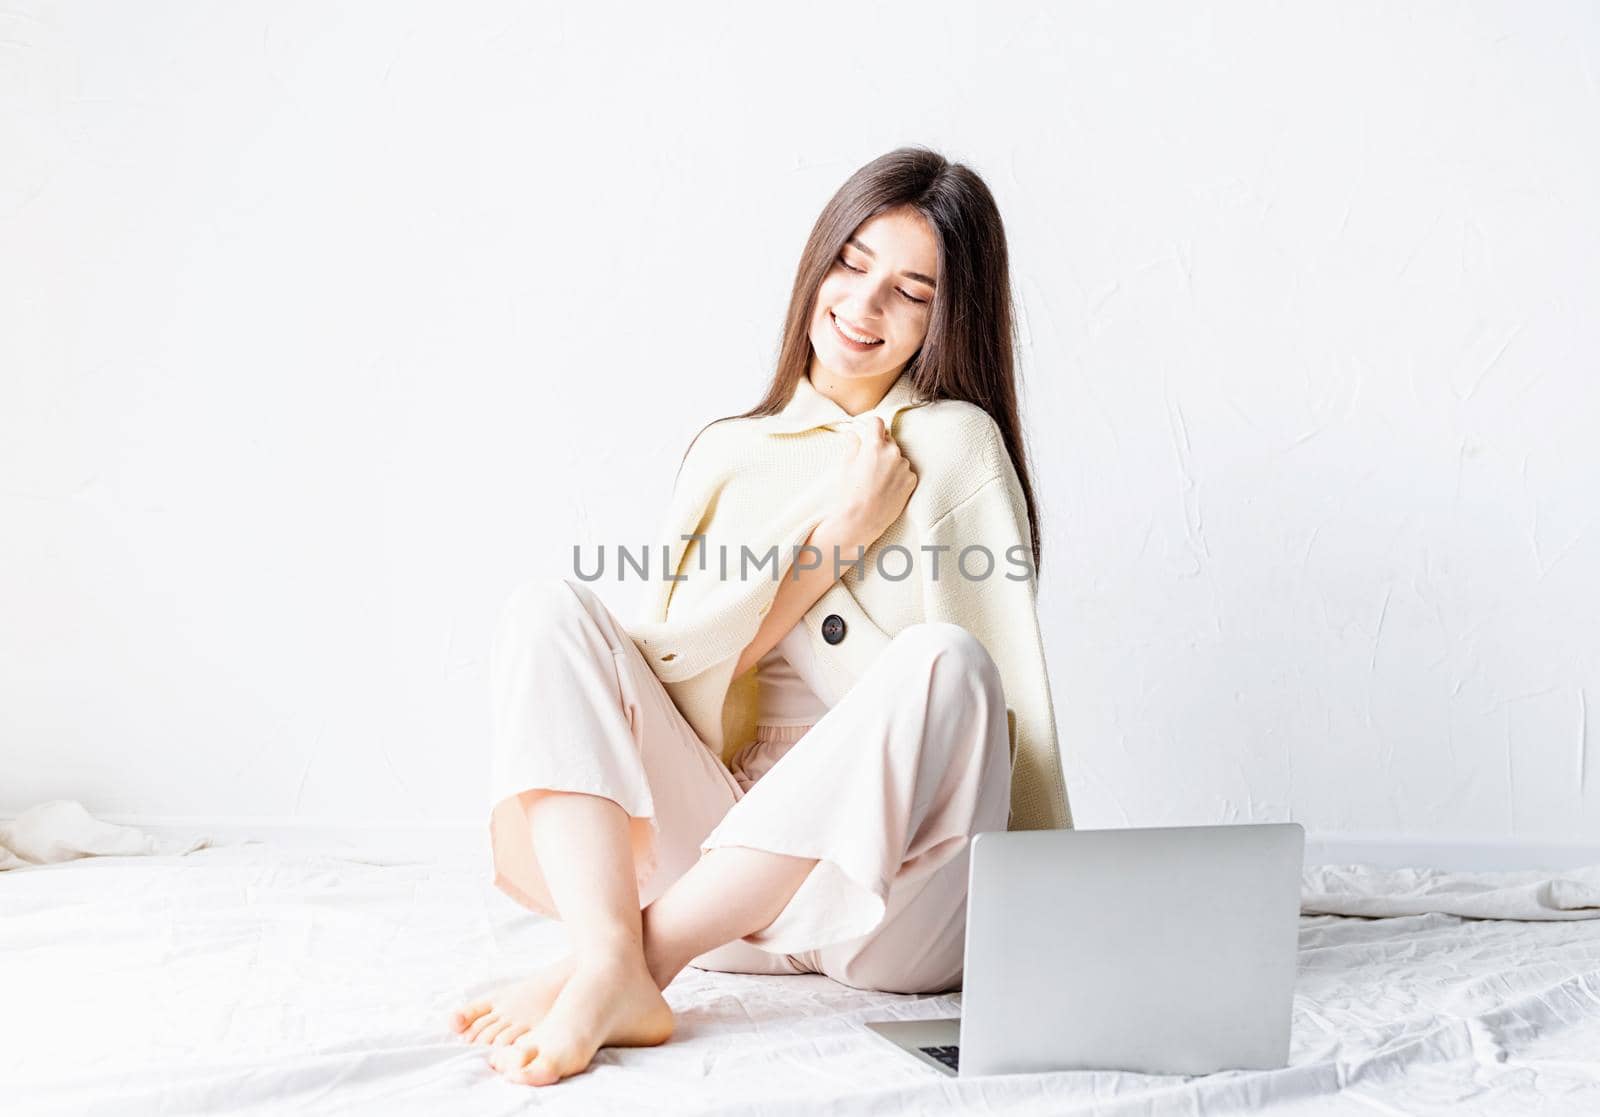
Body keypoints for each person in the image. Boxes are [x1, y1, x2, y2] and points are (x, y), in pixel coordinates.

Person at [450, 146, 1072, 1087]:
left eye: (910, 290)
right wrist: (837, 540)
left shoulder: (955, 447)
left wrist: (1061, 918)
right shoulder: (729, 453)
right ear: (816, 263)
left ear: (948, 317)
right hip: (723, 885)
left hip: (889, 907)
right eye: (852, 263)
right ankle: (610, 944)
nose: (863, 308)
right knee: (547, 611)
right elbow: (681, 679)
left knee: (945, 662)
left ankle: (629, 967)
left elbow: (994, 716)